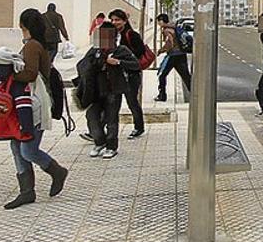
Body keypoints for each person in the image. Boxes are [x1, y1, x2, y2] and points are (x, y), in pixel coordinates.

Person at [0, 9, 68, 209]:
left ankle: (57, 171)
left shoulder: (32, 46)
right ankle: (26, 191)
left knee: (27, 149)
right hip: (30, 102)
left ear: (24, 26)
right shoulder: (37, 45)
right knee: (17, 146)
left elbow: (30, 74)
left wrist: (8, 74)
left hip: (33, 103)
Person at [80, 22, 139, 159]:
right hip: (95, 90)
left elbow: (135, 64)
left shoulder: (121, 50)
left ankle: (111, 146)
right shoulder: (95, 51)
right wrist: (96, 63)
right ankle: (99, 142)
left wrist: (118, 62)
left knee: (111, 119)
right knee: (92, 117)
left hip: (113, 90)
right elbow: (83, 65)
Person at [109, 9, 146, 139]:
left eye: (117, 20)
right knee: (111, 103)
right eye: (112, 20)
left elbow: (140, 52)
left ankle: (138, 127)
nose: (114, 22)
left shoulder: (132, 35)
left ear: (124, 21)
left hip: (131, 73)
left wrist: (123, 58)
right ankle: (98, 131)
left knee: (132, 101)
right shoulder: (108, 35)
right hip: (114, 74)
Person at [155, 13, 192, 102]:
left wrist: (161, 50)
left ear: (161, 21)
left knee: (162, 75)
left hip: (172, 56)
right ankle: (195, 94)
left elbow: (169, 43)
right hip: (181, 54)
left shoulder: (166, 30)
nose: (158, 24)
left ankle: (162, 95)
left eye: (158, 22)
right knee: (186, 76)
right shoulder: (174, 27)